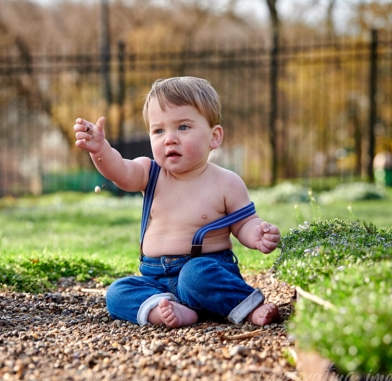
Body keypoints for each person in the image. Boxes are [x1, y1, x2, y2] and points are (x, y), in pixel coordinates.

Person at [73, 76, 281, 328]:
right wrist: (101, 150)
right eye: (159, 130)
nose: (169, 138)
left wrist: (257, 235)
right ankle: (166, 308)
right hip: (155, 278)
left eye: (183, 127)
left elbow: (244, 223)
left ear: (214, 137)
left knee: (196, 276)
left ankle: (249, 308)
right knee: (118, 291)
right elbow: (121, 172)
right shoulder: (150, 173)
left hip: (204, 270)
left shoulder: (226, 182)